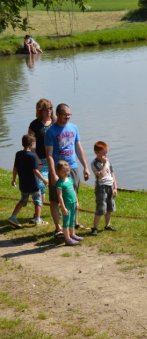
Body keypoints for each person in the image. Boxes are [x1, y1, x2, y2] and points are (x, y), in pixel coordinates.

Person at [45, 103, 90, 238]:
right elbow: (49, 154)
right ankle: (58, 228)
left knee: (72, 197)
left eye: (69, 114)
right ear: (58, 114)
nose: (68, 117)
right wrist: (53, 173)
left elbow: (78, 147)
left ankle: (74, 224)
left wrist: (85, 166)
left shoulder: (74, 127)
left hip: (72, 167)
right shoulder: (51, 131)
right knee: (55, 199)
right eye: (65, 114)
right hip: (58, 170)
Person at [7, 135, 49, 228]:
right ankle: (38, 219)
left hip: (23, 184)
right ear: (32, 144)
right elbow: (35, 171)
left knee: (22, 201)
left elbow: (15, 168)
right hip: (33, 184)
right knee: (38, 201)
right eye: (34, 143)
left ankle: (13, 216)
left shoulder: (18, 154)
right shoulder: (33, 156)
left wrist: (13, 179)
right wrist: (44, 179)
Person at [28, 98, 54, 219]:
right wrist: (36, 158)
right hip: (41, 160)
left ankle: (58, 209)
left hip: (55, 159)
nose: (48, 111)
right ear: (39, 111)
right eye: (45, 109)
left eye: (50, 108)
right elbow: (31, 144)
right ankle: (38, 212)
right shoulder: (34, 125)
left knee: (57, 185)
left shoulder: (55, 122)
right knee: (41, 185)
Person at [90, 141, 117, 236]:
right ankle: (94, 228)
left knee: (110, 207)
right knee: (101, 208)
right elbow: (101, 175)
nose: (106, 154)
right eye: (104, 152)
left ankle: (107, 225)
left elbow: (112, 173)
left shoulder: (107, 160)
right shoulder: (95, 163)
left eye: (106, 152)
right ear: (97, 153)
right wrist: (105, 163)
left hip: (110, 186)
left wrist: (115, 187)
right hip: (101, 187)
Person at [55, 160, 83, 246]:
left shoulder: (70, 179)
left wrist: (77, 201)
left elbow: (74, 191)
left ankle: (72, 234)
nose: (66, 173)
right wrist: (63, 207)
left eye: (67, 171)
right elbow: (59, 196)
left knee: (72, 220)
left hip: (73, 203)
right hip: (66, 204)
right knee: (66, 222)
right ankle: (67, 239)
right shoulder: (59, 183)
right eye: (63, 171)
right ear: (58, 172)